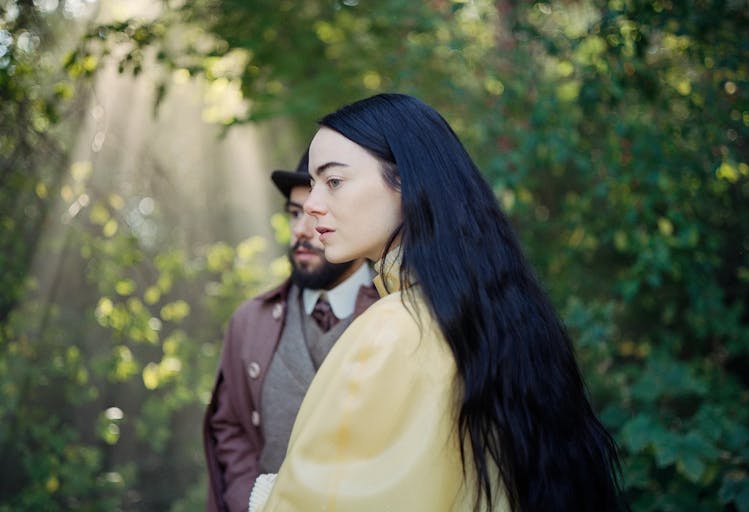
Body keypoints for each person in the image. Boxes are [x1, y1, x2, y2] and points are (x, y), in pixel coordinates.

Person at [248, 94, 626, 512]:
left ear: (406, 183)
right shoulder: (485, 313)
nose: (313, 206)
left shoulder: (395, 329)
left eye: (333, 181)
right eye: (313, 184)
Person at [203, 149, 379, 512]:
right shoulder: (249, 322)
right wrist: (250, 501)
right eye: (296, 213)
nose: (301, 231)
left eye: (316, 213)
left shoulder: (401, 315)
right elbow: (230, 426)